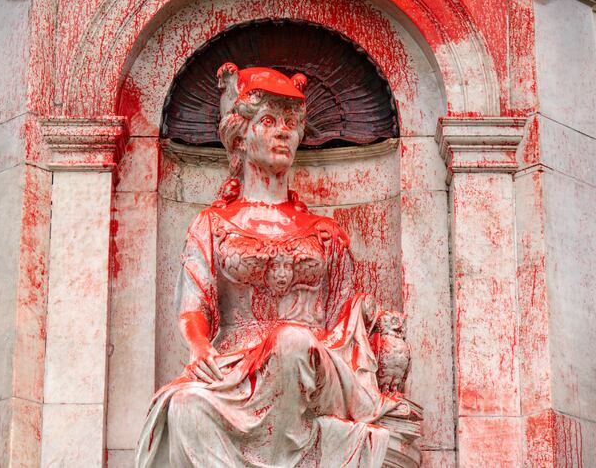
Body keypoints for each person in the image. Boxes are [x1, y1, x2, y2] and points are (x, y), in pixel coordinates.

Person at [135, 63, 403, 467]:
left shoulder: (326, 232)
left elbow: (344, 315)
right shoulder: (212, 226)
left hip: (313, 366)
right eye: (270, 120)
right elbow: (194, 307)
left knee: (292, 341)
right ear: (240, 136)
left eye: (293, 123)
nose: (284, 131)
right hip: (235, 369)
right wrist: (199, 347)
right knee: (185, 406)